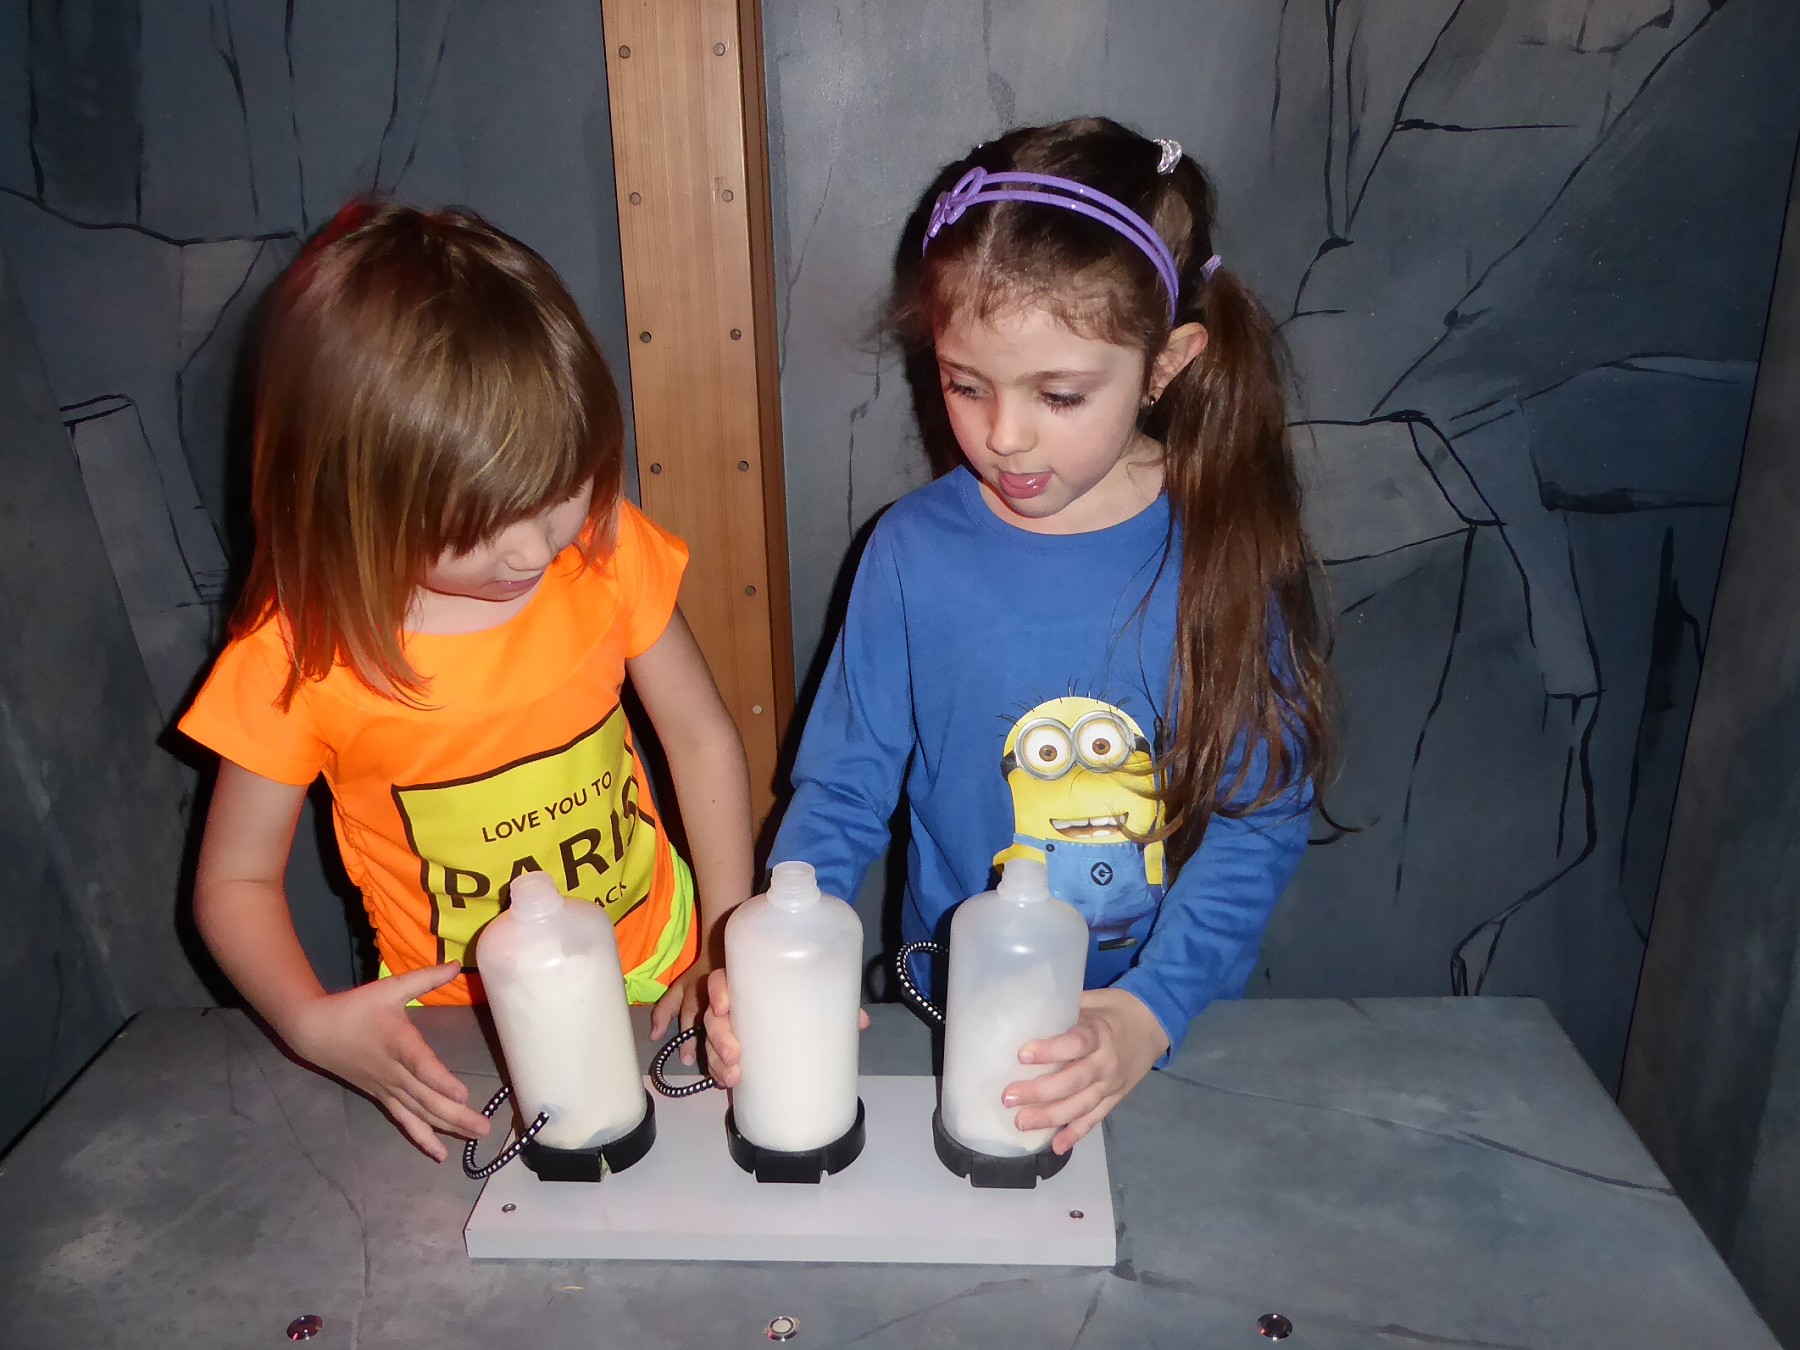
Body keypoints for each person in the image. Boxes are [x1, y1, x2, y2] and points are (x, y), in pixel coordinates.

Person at [704, 117, 1331, 1154]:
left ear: (1167, 364)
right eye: (965, 383)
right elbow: (843, 792)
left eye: (1060, 394)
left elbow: (1259, 819)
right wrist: (777, 949)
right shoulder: (909, 552)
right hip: (950, 1016)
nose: (1003, 435)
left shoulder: (1225, 555)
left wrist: (1148, 1014)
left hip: (1150, 1032)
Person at [180, 201, 754, 1161]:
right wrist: (311, 1022)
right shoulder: (301, 655)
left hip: (664, 968)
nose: (534, 547)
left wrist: (722, 944)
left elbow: (701, 739)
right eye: (481, 523)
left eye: (561, 487)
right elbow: (233, 882)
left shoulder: (603, 548)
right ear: (354, 498)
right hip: (476, 1024)